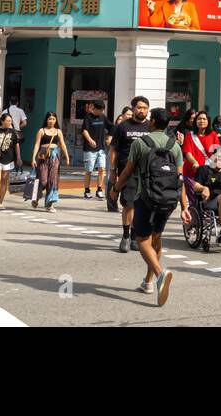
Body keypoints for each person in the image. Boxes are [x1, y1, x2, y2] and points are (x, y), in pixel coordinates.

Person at [112, 107, 191, 307]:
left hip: (145, 198)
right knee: (156, 237)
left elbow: (128, 171)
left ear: (153, 122)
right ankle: (148, 282)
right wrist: (184, 206)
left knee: (141, 239)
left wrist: (115, 188)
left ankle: (159, 274)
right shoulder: (175, 146)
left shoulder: (141, 143)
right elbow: (180, 178)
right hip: (169, 199)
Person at [109, 96, 154, 252]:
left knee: (141, 205)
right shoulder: (123, 126)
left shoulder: (151, 127)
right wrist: (113, 171)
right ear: (133, 108)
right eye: (139, 107)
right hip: (127, 171)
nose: (142, 110)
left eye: (145, 108)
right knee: (129, 204)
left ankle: (135, 236)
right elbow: (114, 149)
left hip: (147, 173)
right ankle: (126, 236)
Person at [32, 113, 70, 212]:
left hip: (54, 157)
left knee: (53, 180)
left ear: (56, 120)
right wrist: (33, 158)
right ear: (46, 120)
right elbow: (37, 145)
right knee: (43, 180)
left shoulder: (58, 132)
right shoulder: (41, 130)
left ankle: (50, 204)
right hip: (43, 156)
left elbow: (63, 145)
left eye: (53, 119)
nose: (51, 121)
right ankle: (36, 197)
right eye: (50, 119)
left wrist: (67, 157)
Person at [0, 113, 22, 209]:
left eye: (10, 121)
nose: (10, 122)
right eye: (8, 121)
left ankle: (1, 202)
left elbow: (16, 145)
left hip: (9, 159)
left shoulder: (13, 132)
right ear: (2, 121)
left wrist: (18, 157)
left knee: (4, 181)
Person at [81, 100, 109, 199]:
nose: (101, 112)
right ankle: (87, 190)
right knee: (89, 170)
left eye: (102, 110)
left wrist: (109, 137)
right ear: (95, 109)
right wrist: (89, 140)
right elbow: (84, 131)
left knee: (102, 168)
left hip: (101, 148)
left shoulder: (103, 117)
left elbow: (111, 127)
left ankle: (99, 189)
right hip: (89, 149)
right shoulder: (88, 117)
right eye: (100, 110)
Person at [181, 110, 220, 179]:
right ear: (195, 121)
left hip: (208, 171)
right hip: (192, 171)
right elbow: (188, 153)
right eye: (199, 119)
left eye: (204, 119)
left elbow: (218, 152)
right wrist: (195, 162)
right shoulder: (189, 136)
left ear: (208, 121)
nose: (202, 121)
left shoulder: (213, 135)